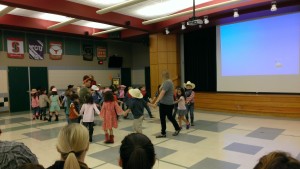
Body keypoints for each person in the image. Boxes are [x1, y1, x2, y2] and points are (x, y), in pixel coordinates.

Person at [154, 70, 181, 138]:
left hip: (167, 104)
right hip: (164, 103)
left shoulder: (167, 82)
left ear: (163, 76)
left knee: (168, 117)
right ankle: (164, 133)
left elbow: (162, 93)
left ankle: (176, 129)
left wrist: (156, 102)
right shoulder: (168, 82)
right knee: (165, 117)